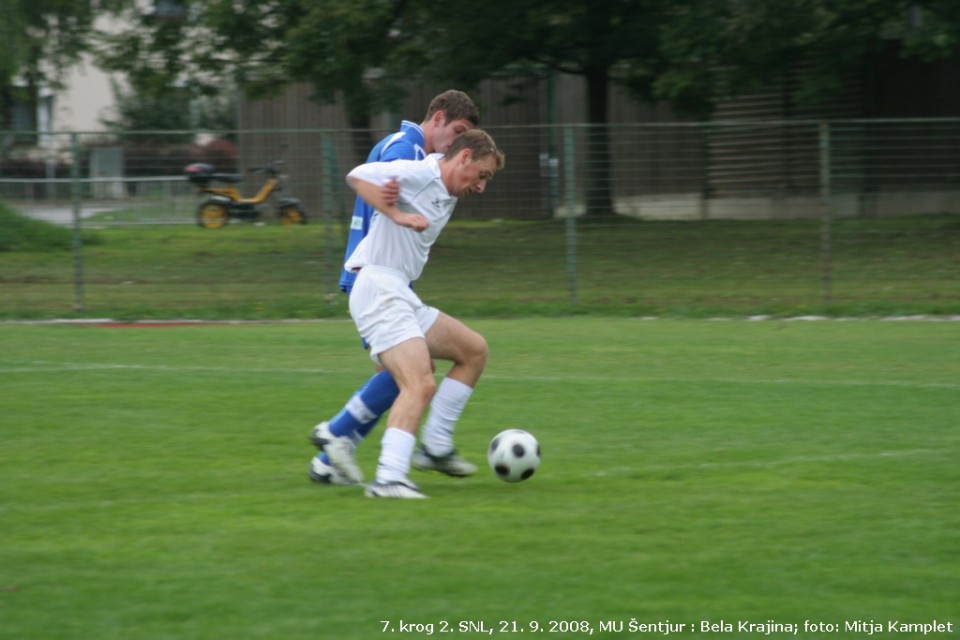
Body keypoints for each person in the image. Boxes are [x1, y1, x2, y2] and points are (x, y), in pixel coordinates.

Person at [319, 129, 505, 498]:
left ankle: (434, 446)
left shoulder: (445, 181)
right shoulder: (422, 173)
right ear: (464, 157)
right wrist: (393, 212)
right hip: (378, 289)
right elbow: (357, 175)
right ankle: (389, 478)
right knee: (418, 383)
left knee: (473, 350)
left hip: (399, 291)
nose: (482, 187)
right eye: (481, 175)